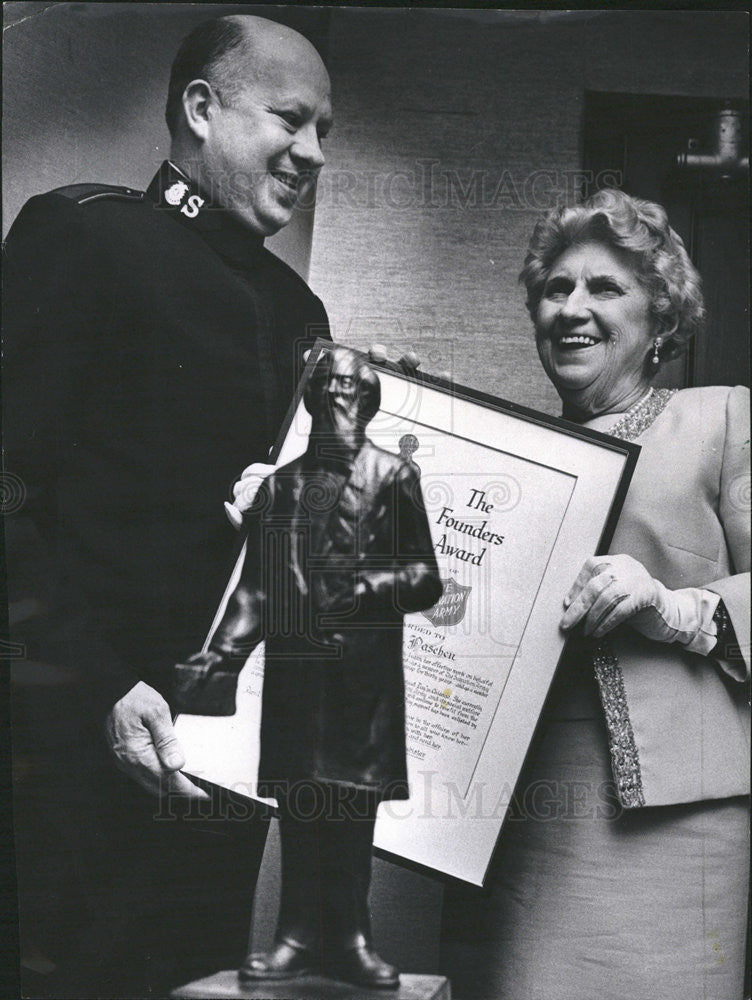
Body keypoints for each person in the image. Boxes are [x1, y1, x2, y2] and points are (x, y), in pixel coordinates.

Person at [4, 14, 334, 996]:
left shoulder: (298, 314)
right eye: (291, 118)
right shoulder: (84, 234)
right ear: (201, 107)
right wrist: (101, 686)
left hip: (218, 771)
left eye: (325, 132)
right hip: (63, 757)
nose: (311, 152)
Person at [440, 189, 750, 1000]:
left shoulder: (720, 419)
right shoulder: (509, 459)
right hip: (510, 821)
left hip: (674, 828)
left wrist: (677, 609)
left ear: (662, 317)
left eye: (604, 289)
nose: (572, 308)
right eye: (556, 288)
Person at [173, 345, 443, 988]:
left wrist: (362, 590)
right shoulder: (282, 488)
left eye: (349, 392)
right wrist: (225, 652)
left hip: (364, 683)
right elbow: (255, 592)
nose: (337, 402)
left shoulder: (395, 478)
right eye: (326, 391)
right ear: (313, 400)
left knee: (351, 812)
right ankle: (295, 935)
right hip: (297, 682)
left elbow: (426, 578)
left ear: (369, 403)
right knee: (299, 809)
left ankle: (350, 938)